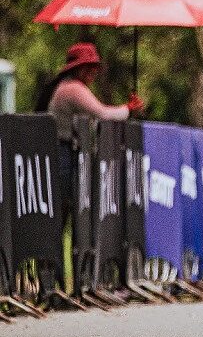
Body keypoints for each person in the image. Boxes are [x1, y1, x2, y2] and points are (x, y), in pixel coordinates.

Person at [36, 42, 145, 211]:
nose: (93, 71)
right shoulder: (73, 89)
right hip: (63, 152)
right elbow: (103, 114)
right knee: (63, 205)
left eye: (94, 67)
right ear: (77, 68)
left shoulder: (65, 86)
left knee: (64, 207)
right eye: (88, 67)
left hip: (61, 150)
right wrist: (128, 109)